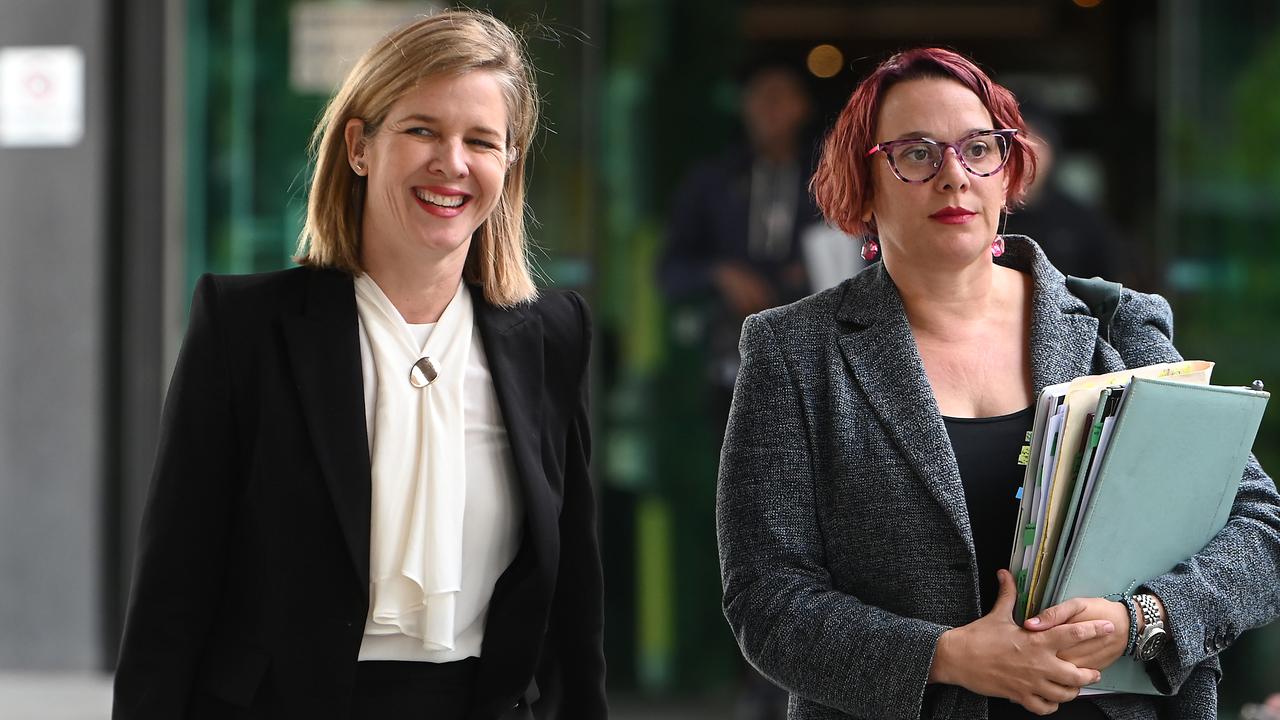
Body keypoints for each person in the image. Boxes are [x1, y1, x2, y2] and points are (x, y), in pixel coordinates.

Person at [715, 47, 1280, 720]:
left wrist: (1142, 620)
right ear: (863, 182)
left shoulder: (1115, 329)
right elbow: (768, 600)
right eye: (916, 154)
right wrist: (948, 656)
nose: (954, 176)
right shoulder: (795, 352)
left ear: (1007, 170)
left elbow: (1259, 527)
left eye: (978, 148)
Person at [113, 10, 605, 720]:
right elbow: (172, 595)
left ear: (511, 162)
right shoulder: (245, 328)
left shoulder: (553, 337)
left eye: (482, 141)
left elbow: (574, 608)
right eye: (422, 130)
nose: (453, 162)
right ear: (359, 145)